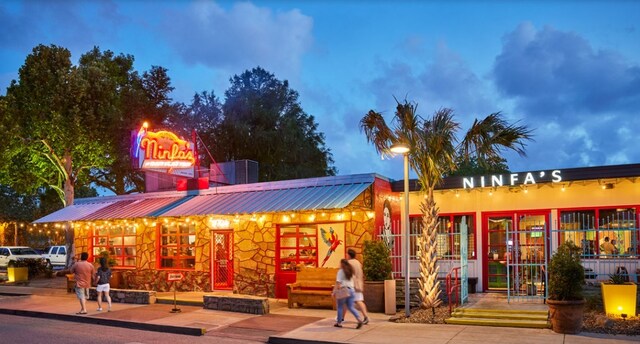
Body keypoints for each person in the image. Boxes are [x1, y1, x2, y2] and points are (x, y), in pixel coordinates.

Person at [333, 259, 363, 329]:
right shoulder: (350, 271)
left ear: (342, 264)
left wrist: (334, 291)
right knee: (351, 307)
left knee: (340, 306)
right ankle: (359, 319)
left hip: (344, 290)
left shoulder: (340, 271)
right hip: (352, 290)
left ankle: (339, 323)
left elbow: (338, 283)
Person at [345, 249, 369, 324]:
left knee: (346, 302)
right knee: (359, 301)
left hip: (352, 285)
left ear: (349, 255)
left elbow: (347, 275)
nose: (346, 255)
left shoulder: (349, 263)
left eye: (346, 254)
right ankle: (366, 316)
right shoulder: (358, 262)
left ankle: (341, 318)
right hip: (358, 284)